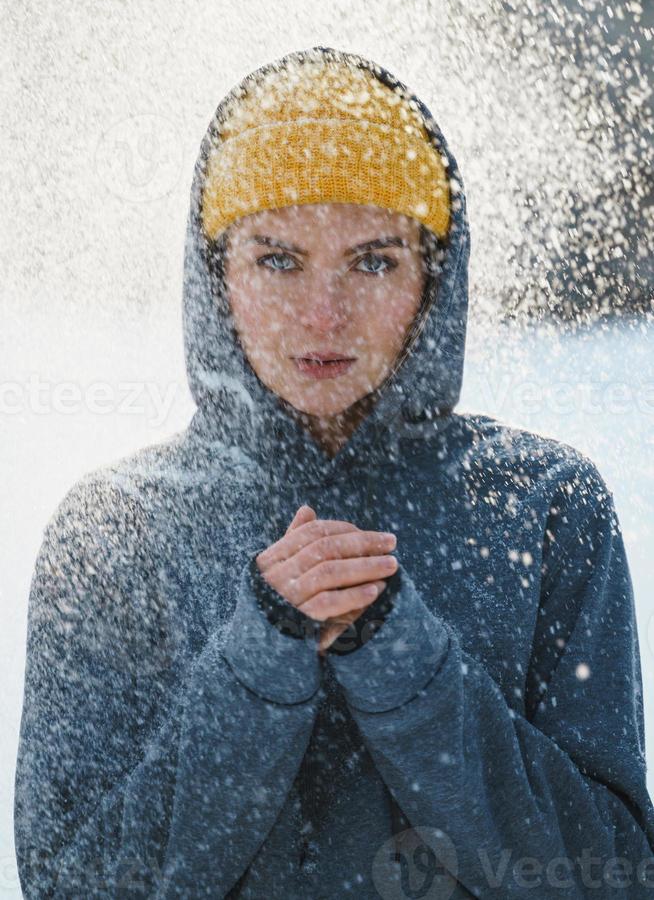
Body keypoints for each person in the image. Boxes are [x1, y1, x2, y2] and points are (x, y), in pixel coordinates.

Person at [13, 45, 654, 899]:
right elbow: (72, 885)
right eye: (278, 259)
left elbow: (612, 876)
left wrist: (406, 664)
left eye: (375, 260)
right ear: (217, 275)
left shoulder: (543, 508)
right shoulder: (115, 530)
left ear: (435, 275)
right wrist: (259, 663)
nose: (324, 313)